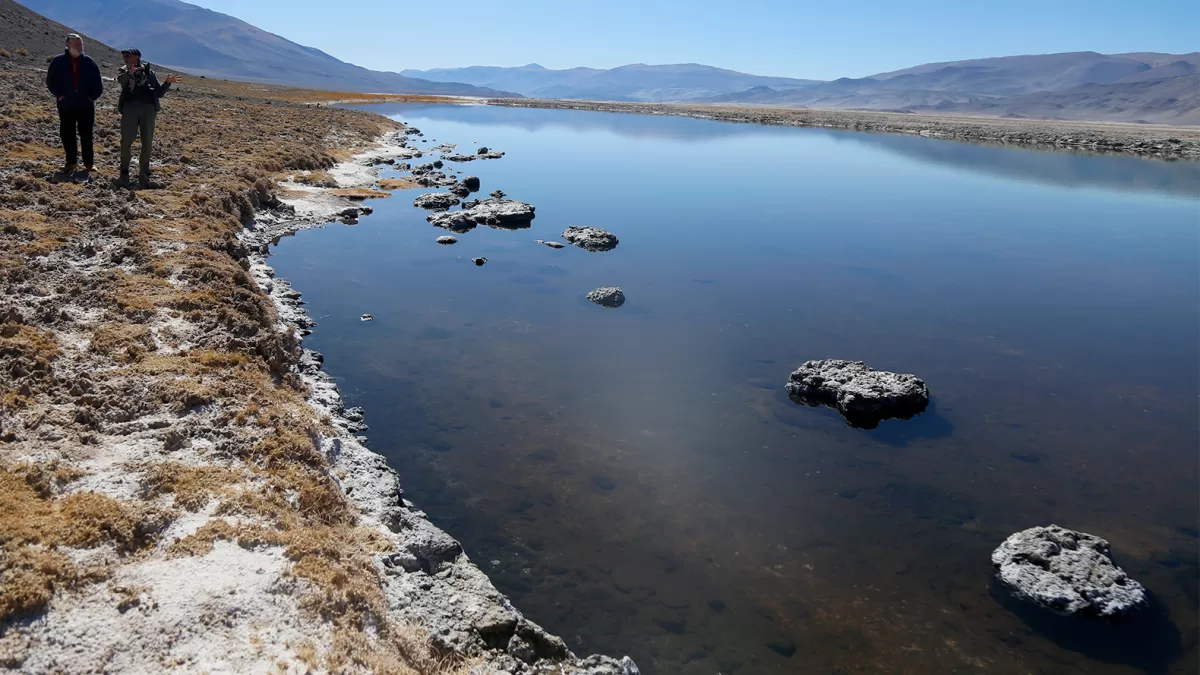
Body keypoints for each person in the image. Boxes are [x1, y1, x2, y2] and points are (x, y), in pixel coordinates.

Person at [117, 48, 181, 187]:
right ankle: (124, 171)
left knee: (147, 142)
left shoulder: (149, 72)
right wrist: (129, 74)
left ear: (137, 57)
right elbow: (122, 81)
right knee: (127, 140)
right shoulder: (124, 71)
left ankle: (144, 172)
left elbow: (159, 93)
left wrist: (167, 83)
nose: (125, 58)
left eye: (128, 55)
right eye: (124, 56)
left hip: (149, 110)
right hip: (130, 110)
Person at [45, 33, 103, 175]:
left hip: (86, 106)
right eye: (76, 44)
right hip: (66, 105)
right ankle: (71, 163)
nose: (80, 46)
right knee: (67, 134)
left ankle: (89, 163)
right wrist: (59, 95)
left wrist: (92, 97)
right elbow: (51, 81)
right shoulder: (58, 61)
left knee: (86, 135)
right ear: (68, 45)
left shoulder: (89, 62)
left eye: (81, 44)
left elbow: (98, 83)